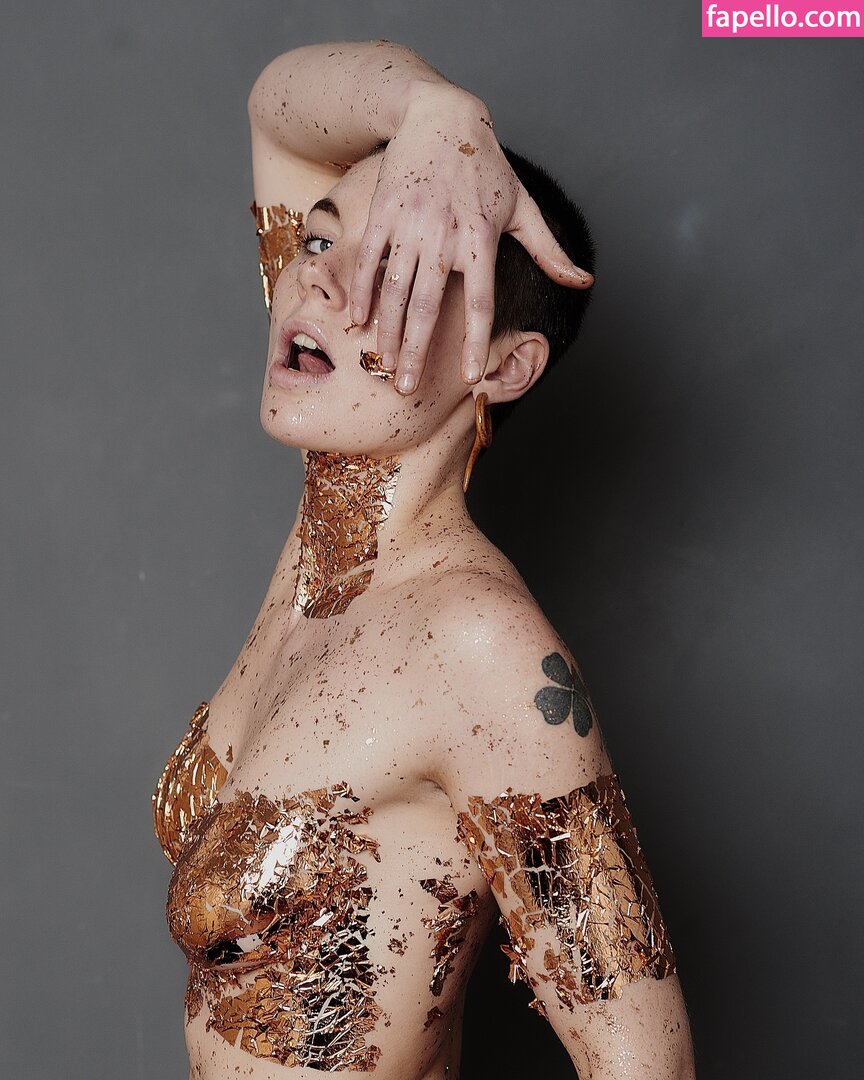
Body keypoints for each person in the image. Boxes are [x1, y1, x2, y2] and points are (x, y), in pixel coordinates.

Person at [152, 39, 696, 1080]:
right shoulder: (326, 547)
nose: (320, 280)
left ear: (500, 365)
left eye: (396, 271)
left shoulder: (477, 643)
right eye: (320, 240)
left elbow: (646, 1063)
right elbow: (278, 109)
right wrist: (435, 113)